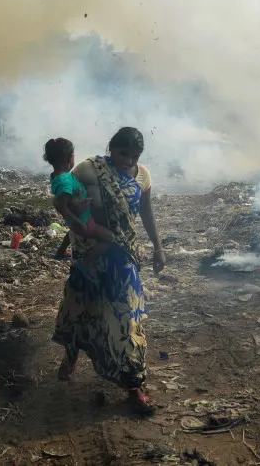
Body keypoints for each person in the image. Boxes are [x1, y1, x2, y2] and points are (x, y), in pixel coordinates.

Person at [51, 127, 166, 416]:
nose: (128, 161)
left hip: (122, 256)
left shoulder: (143, 176)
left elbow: (146, 212)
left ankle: (133, 386)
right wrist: (72, 245)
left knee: (127, 319)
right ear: (111, 148)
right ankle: (71, 355)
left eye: (134, 155)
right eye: (122, 153)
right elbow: (73, 208)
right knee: (81, 308)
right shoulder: (88, 170)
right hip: (90, 254)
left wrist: (158, 247)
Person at [43, 138, 114, 277]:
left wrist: (77, 202)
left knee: (72, 231)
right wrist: (79, 223)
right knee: (109, 237)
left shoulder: (59, 177)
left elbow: (66, 202)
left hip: (78, 218)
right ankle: (87, 263)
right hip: (84, 221)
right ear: (70, 159)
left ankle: (61, 252)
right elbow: (62, 207)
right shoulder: (65, 182)